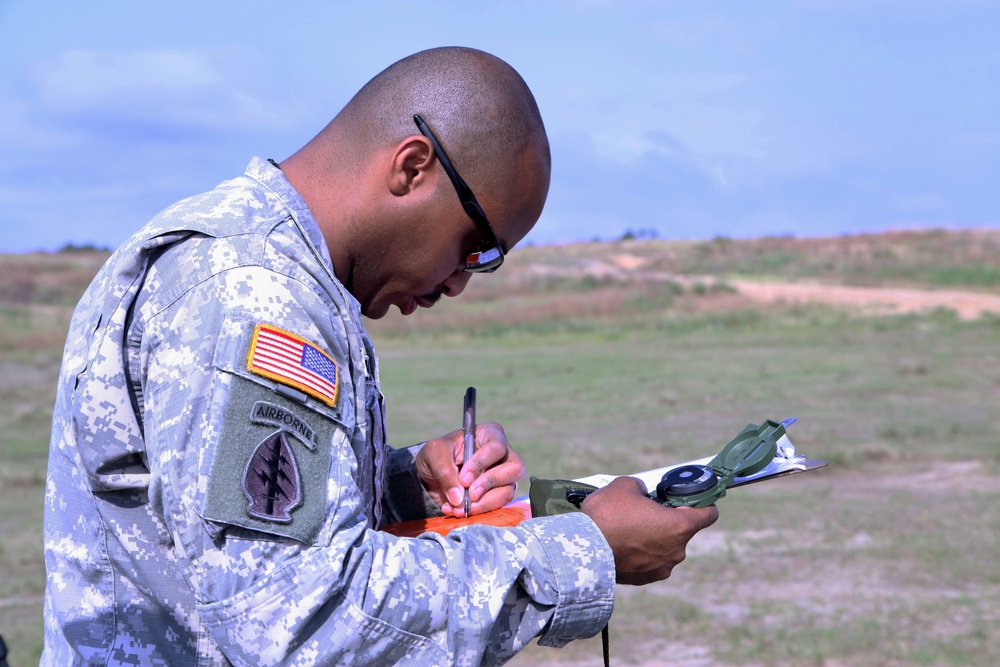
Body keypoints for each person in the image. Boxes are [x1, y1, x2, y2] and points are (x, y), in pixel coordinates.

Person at [42, 46, 719, 665]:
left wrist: (402, 483)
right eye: (476, 244)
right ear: (413, 167)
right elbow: (302, 622)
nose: (462, 279)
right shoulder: (252, 293)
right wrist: (583, 552)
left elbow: (211, 516)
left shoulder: (273, 270)